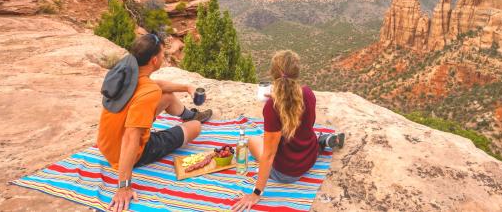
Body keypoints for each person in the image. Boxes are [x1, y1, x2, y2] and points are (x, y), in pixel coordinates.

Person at [97, 33, 213, 212]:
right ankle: (192, 121)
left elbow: (157, 85)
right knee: (196, 128)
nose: (163, 57)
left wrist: (187, 88)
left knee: (166, 96)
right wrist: (123, 186)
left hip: (107, 144)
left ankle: (189, 114)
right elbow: (130, 137)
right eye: (162, 55)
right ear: (153, 60)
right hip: (128, 153)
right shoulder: (148, 93)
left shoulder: (129, 71)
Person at [231, 50, 345, 212]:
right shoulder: (308, 93)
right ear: (296, 73)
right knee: (296, 134)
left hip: (287, 173)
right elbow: (305, 123)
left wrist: (256, 193)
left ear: (273, 74)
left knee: (252, 140)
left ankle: (322, 141)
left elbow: (269, 156)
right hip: (310, 155)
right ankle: (323, 141)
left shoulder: (272, 107)